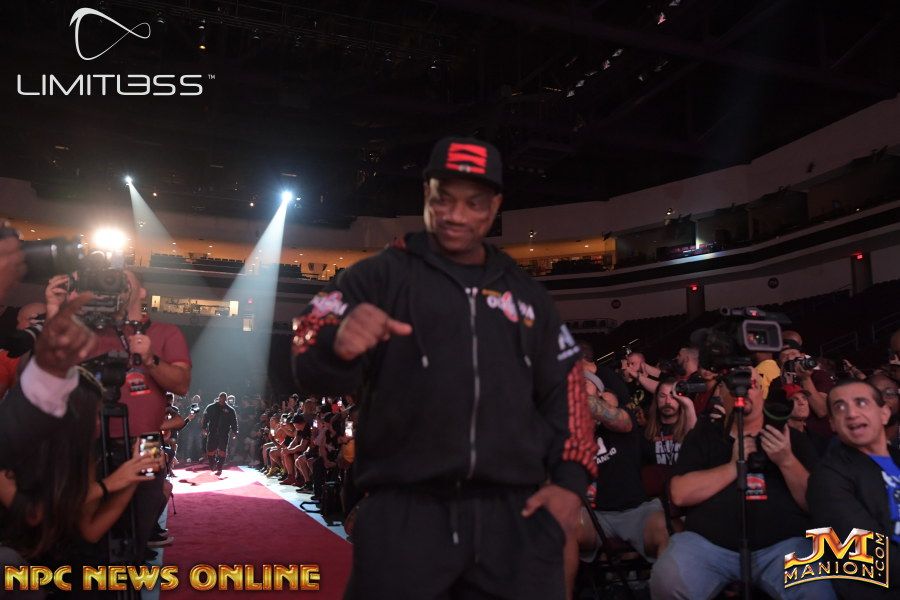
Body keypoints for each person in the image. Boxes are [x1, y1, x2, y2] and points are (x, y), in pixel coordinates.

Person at [292, 136, 596, 600]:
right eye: (444, 199)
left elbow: (568, 387)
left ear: (495, 206)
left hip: (512, 516)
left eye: (474, 203)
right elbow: (306, 340)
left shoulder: (526, 294)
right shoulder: (377, 276)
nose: (456, 215)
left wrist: (571, 485)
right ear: (426, 194)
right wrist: (337, 343)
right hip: (404, 512)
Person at [650, 367, 835, 599]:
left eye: (751, 385)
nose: (743, 391)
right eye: (735, 385)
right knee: (668, 579)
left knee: (817, 589)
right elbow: (679, 494)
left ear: (762, 393)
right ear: (722, 393)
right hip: (708, 545)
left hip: (782, 546)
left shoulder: (790, 437)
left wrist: (786, 460)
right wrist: (732, 467)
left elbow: (815, 503)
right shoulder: (703, 435)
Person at [46, 269, 192, 559]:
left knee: (136, 536)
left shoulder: (165, 332)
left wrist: (150, 358)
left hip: (147, 444)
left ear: (142, 292)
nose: (117, 285)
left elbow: (182, 384)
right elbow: (49, 371)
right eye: (110, 278)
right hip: (88, 442)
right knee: (83, 542)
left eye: (125, 279)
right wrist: (56, 309)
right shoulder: (90, 331)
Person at [807, 380, 900, 599]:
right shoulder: (826, 477)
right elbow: (872, 556)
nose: (851, 413)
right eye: (840, 407)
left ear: (884, 413)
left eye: (861, 403)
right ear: (832, 424)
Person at [201, 392, 238, 475]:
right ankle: (212, 462)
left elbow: (234, 421)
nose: (223, 400)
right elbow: (205, 418)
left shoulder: (230, 410)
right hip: (212, 432)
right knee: (210, 450)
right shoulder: (211, 407)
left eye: (224, 398)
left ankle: (220, 468)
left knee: (222, 451)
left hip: (224, 433)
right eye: (221, 398)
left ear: (226, 399)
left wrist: (235, 431)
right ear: (219, 398)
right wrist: (204, 428)